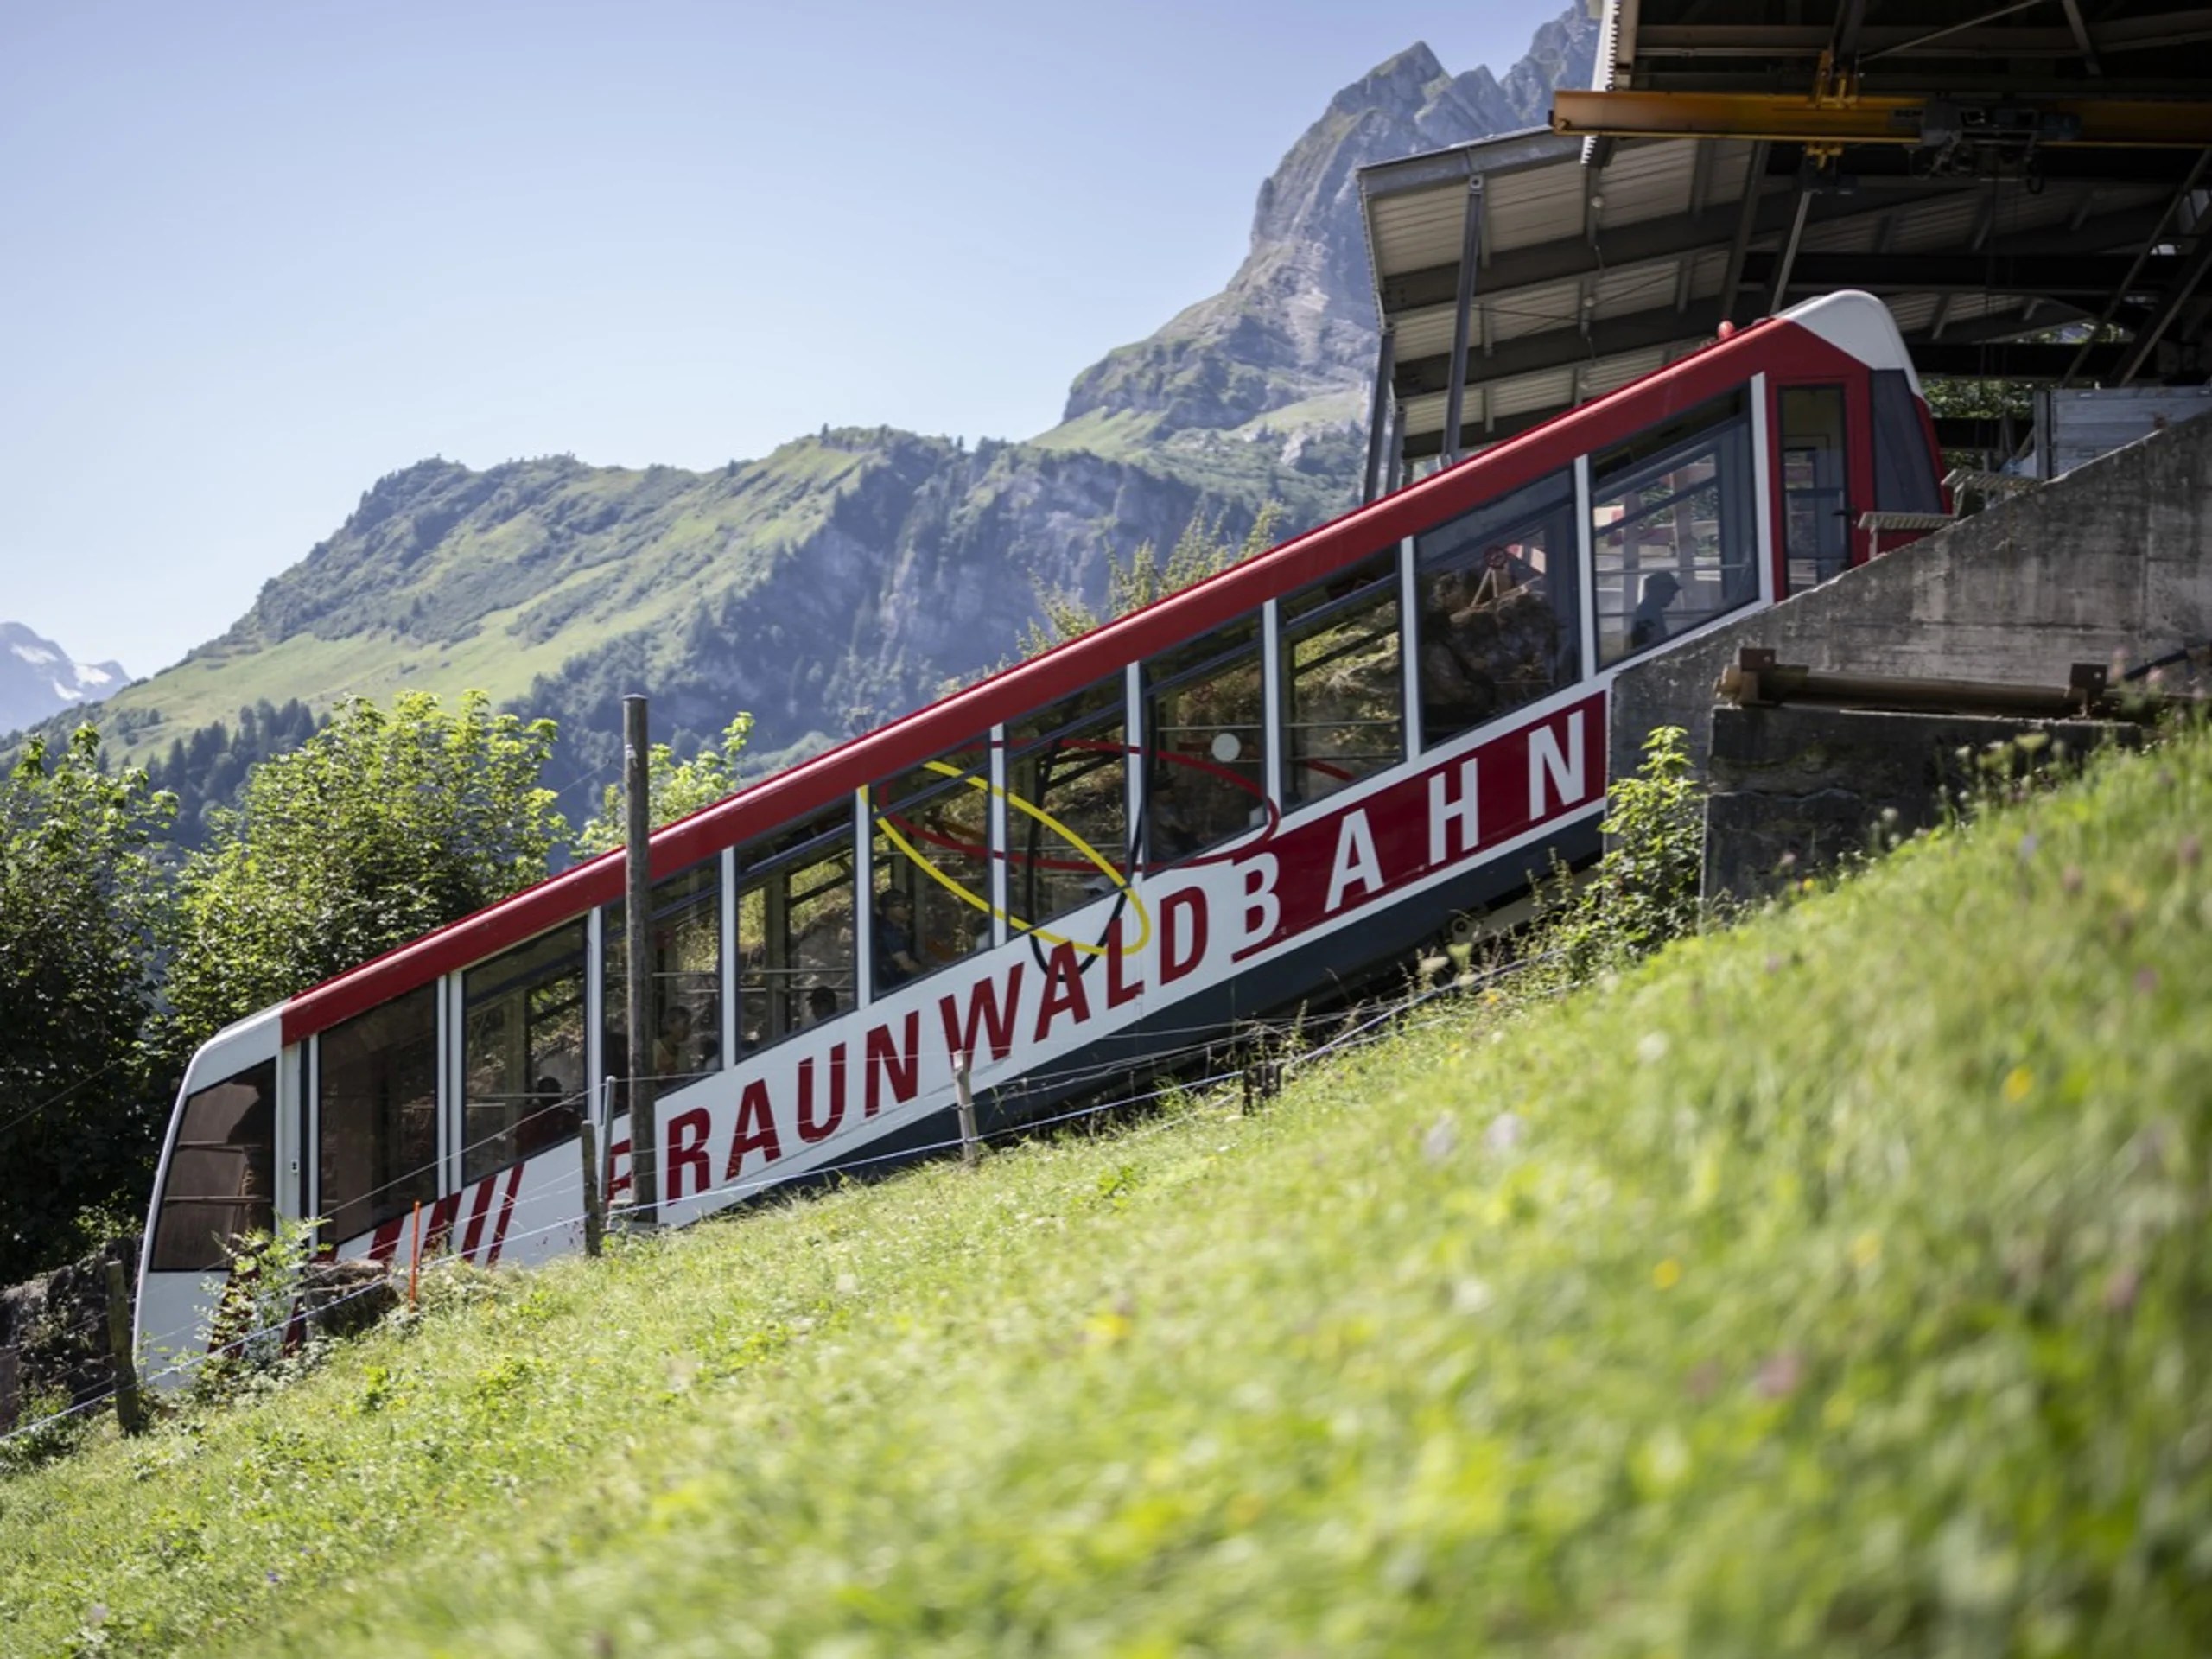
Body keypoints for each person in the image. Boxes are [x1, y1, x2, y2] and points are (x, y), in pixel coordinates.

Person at [873, 891, 924, 991]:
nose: (909, 908)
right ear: (889, 909)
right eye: (903, 905)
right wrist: (930, 972)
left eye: (909, 904)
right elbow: (907, 966)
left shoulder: (896, 930)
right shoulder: (888, 931)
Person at [1627, 570, 1681, 652]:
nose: (1673, 598)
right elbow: (1649, 645)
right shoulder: (1647, 613)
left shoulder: (1650, 610)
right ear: (1661, 590)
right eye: (1671, 592)